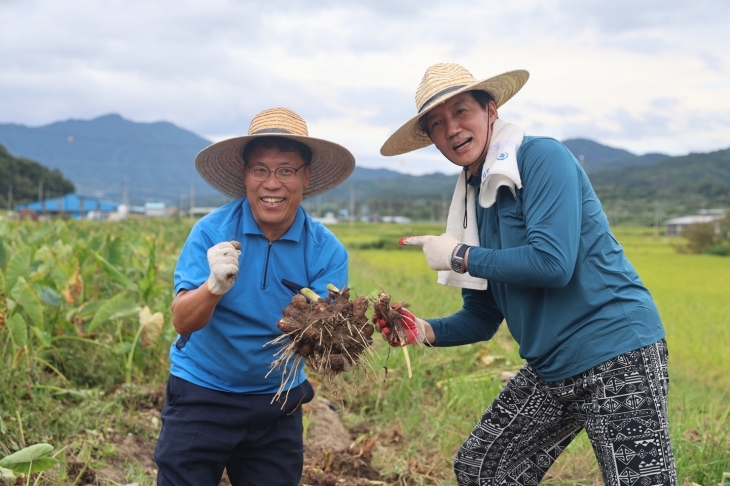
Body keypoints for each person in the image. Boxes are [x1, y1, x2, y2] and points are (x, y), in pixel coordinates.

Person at [375, 63, 677, 486]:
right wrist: (422, 330)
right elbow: (482, 317)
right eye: (438, 124)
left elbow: (552, 263)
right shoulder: (472, 201)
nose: (453, 129)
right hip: (552, 366)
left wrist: (460, 254)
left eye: (462, 112)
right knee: (482, 468)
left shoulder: (540, 157)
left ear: (490, 111)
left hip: (614, 350)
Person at [154, 107, 356, 486]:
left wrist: (336, 331)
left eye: (286, 170)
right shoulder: (211, 232)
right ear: (245, 176)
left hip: (278, 399)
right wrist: (213, 287)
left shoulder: (325, 250)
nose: (272, 183)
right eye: (260, 169)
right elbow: (182, 320)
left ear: (306, 176)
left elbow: (330, 337)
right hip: (203, 391)